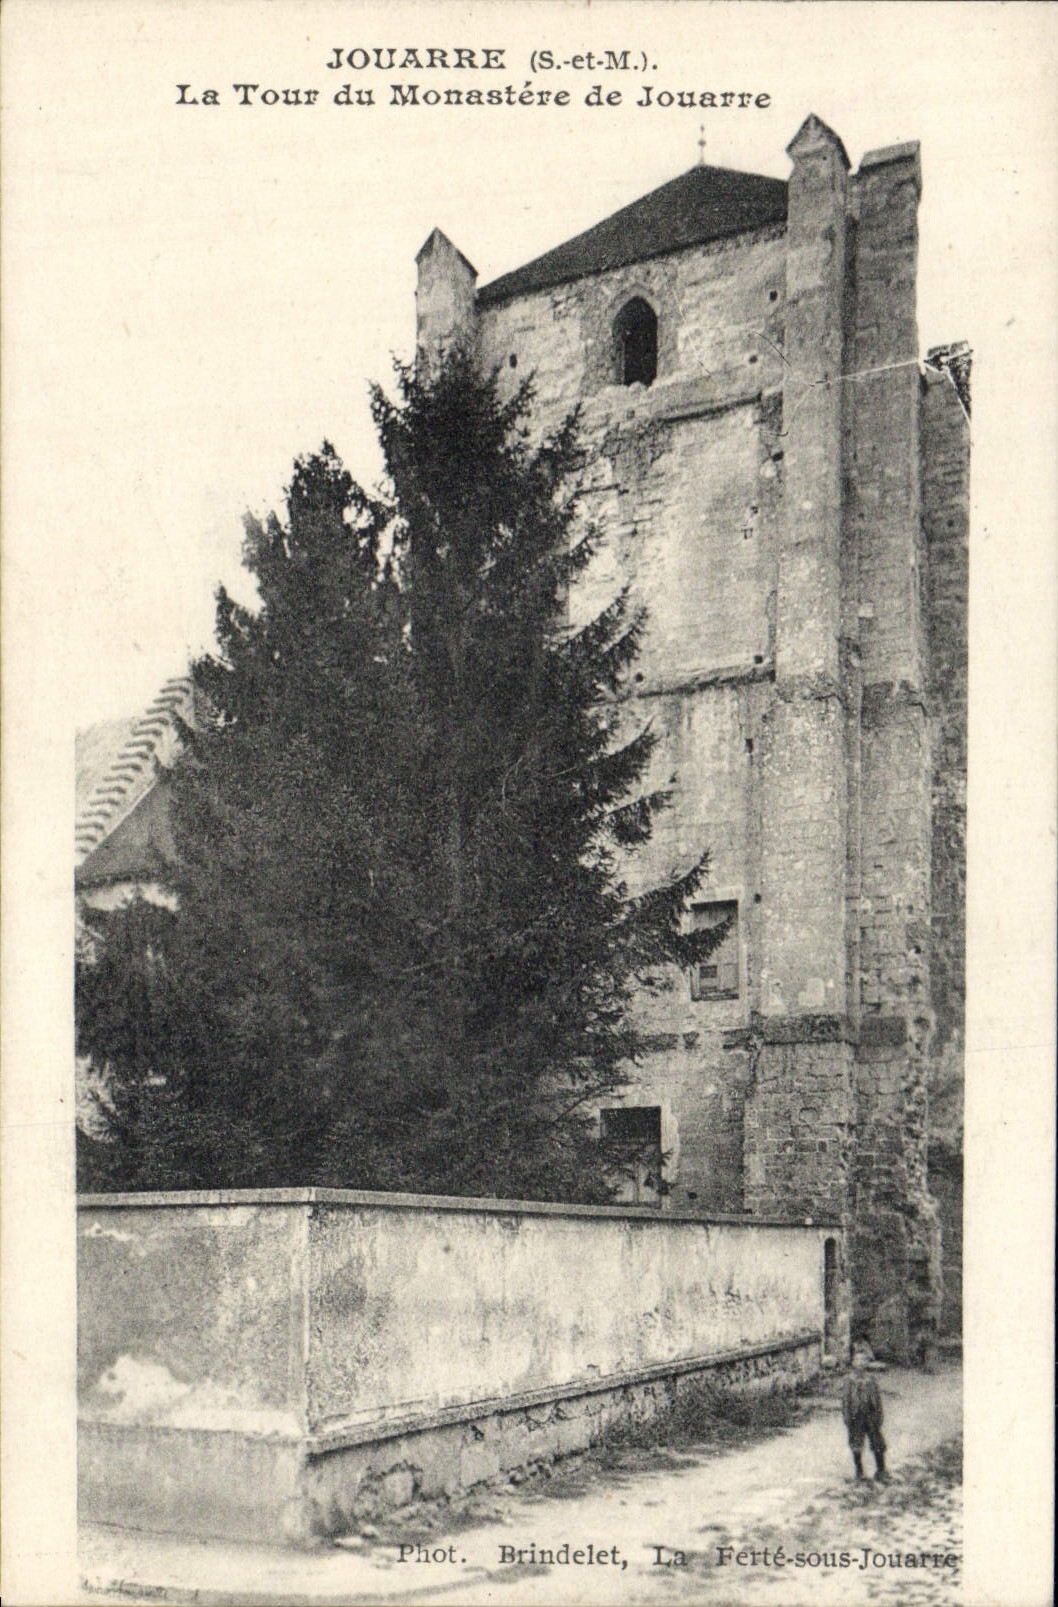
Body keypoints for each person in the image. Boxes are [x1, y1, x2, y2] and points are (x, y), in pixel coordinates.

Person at [842, 1341, 888, 1481]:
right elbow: (845, 1401)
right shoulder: (849, 1380)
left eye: (864, 1360)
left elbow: (878, 1399)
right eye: (858, 1360)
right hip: (857, 1416)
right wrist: (847, 1417)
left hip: (871, 1415)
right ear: (853, 1363)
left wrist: (879, 1415)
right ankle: (859, 1471)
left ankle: (881, 1470)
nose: (861, 1363)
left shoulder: (871, 1379)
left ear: (867, 1362)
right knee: (856, 1444)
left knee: (878, 1443)